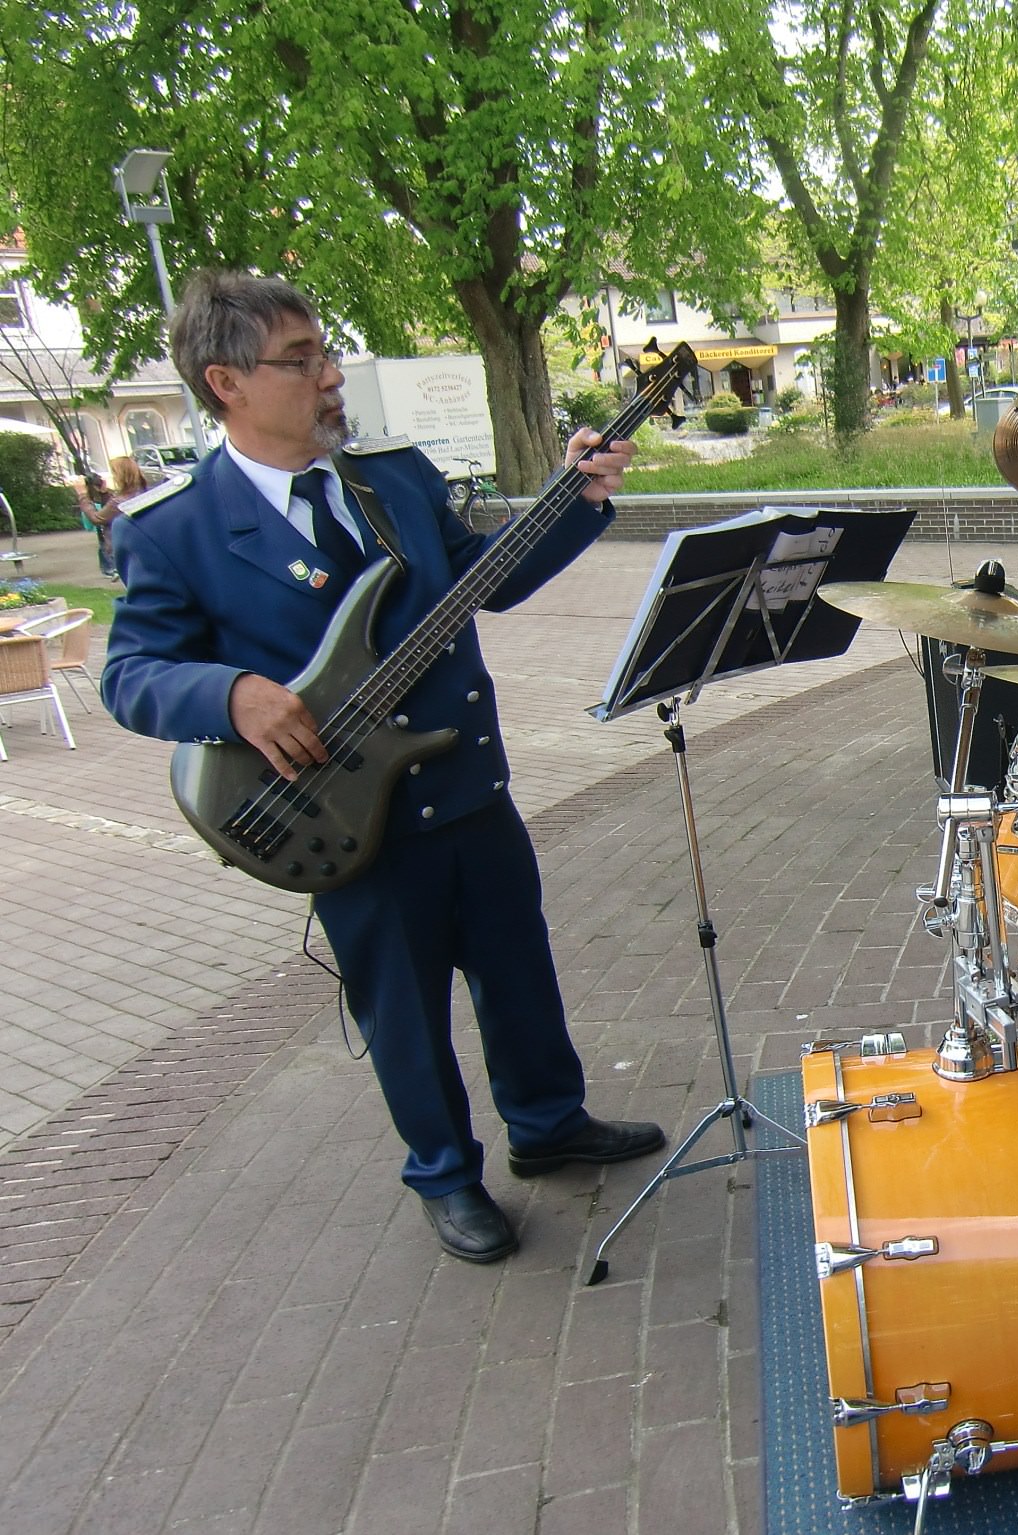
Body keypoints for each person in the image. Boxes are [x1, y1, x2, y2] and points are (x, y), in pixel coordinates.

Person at [101, 270, 665, 1264]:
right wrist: (231, 694)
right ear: (225, 382)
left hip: (466, 781)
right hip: (344, 814)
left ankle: (547, 1121)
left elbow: (486, 580)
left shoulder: (391, 477)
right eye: (299, 360)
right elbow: (130, 672)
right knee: (403, 1010)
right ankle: (444, 1173)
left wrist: (574, 501)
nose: (329, 375)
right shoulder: (173, 528)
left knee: (519, 968)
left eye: (326, 352)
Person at [90, 457, 144, 580]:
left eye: (114, 473)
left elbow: (97, 518)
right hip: (139, 546)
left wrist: (82, 495)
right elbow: (110, 512)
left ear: (120, 476)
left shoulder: (119, 501)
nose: (113, 477)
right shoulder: (142, 493)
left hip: (123, 549)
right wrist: (104, 493)